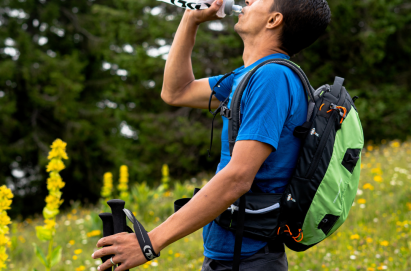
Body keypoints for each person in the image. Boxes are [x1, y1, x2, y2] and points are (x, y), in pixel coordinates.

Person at [92, 0, 331, 270]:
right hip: (230, 255)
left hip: (250, 259)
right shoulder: (249, 76)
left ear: (273, 20)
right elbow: (176, 91)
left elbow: (238, 177)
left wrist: (149, 242)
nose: (247, 0)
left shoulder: (272, 77)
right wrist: (191, 19)